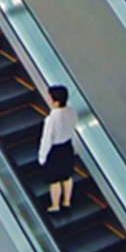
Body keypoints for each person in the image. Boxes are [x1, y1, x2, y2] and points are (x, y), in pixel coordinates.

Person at [38, 85, 78, 213]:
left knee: (54, 180)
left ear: (56, 102)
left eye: (50, 98)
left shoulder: (52, 119)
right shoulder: (72, 111)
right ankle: (67, 201)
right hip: (67, 146)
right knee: (67, 176)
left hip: (55, 150)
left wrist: (42, 157)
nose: (48, 100)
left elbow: (47, 139)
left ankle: (55, 205)